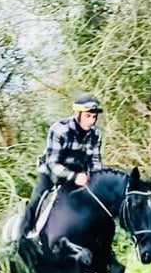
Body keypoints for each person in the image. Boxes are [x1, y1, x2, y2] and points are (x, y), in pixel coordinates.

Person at [23, 93, 105, 236]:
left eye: (94, 117)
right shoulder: (59, 129)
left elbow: (95, 161)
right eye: (88, 116)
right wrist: (73, 176)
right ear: (78, 114)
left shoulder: (96, 134)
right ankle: (23, 235)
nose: (91, 121)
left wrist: (96, 178)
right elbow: (53, 163)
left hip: (80, 176)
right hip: (52, 174)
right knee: (36, 201)